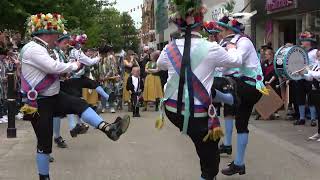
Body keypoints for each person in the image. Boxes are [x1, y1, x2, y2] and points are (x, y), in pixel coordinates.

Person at [20, 13, 130, 180]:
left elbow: (52, 69)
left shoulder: (44, 48)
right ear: (46, 33)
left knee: (79, 104)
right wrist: (74, 65)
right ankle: (44, 177)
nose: (58, 37)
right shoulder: (33, 49)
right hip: (39, 102)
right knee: (44, 143)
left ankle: (109, 129)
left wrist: (67, 71)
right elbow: (53, 67)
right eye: (56, 33)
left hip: (54, 96)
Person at [157, 1, 245, 179]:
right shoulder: (211, 48)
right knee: (210, 167)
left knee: (208, 86)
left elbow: (160, 65)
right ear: (201, 23)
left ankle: (227, 99)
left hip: (172, 111)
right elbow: (237, 62)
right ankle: (228, 99)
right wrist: (233, 47)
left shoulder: (169, 47)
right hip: (197, 115)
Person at [215, 15, 266, 176]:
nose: (219, 32)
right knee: (241, 125)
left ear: (230, 30)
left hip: (252, 87)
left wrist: (227, 51)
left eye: (222, 29)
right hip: (246, 85)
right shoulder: (232, 42)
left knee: (218, 84)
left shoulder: (243, 42)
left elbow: (235, 62)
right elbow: (223, 65)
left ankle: (219, 96)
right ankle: (239, 164)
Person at [293, 31, 318, 126]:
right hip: (300, 77)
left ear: (310, 41)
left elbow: (317, 64)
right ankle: (302, 118)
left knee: (311, 99)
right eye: (302, 40)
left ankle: (313, 119)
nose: (302, 42)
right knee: (300, 98)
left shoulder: (315, 52)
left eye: (304, 40)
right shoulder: (299, 52)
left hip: (310, 77)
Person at [303, 49, 320, 141]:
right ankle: (319, 132)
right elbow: (310, 78)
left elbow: (318, 75)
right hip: (315, 91)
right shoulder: (316, 65)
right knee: (318, 112)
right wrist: (302, 74)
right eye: (317, 55)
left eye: (319, 55)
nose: (318, 57)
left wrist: (308, 71)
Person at [100, 45, 121, 113]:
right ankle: (103, 107)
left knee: (110, 92)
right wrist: (101, 76)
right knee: (103, 92)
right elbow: (99, 69)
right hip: (102, 79)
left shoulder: (110, 58)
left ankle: (112, 106)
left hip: (109, 79)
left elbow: (112, 68)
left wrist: (107, 76)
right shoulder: (101, 59)